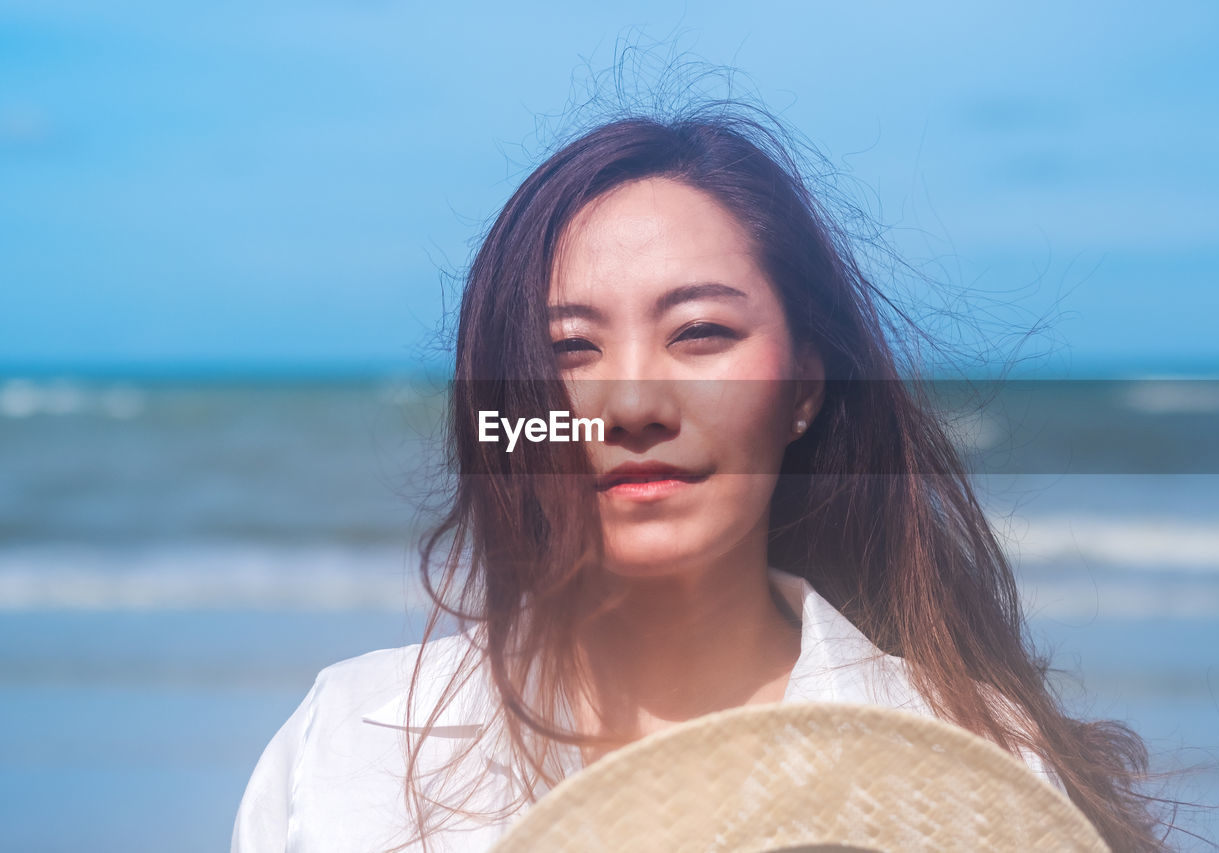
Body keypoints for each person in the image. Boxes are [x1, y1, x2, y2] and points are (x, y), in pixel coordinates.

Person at [231, 108, 1165, 852]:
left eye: (701, 334)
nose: (633, 403)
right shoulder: (350, 745)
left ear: (804, 387)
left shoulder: (977, 770)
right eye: (571, 350)